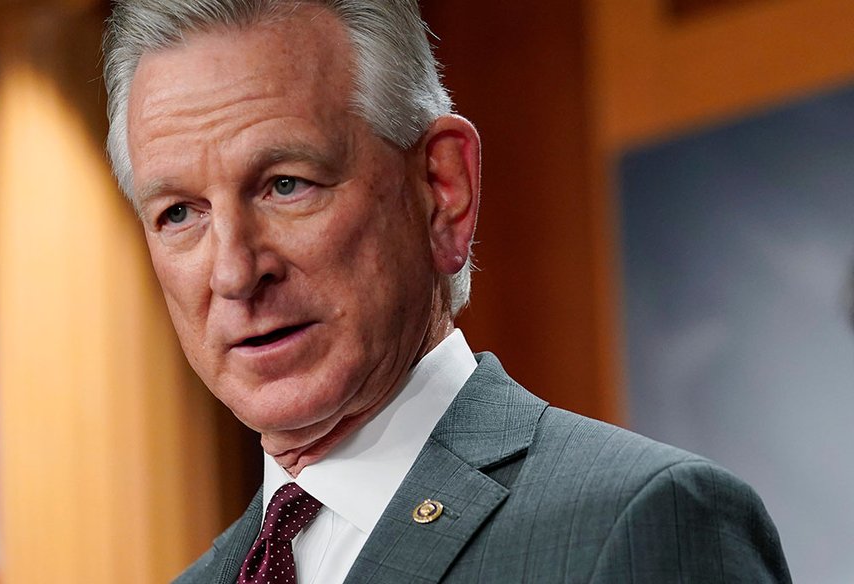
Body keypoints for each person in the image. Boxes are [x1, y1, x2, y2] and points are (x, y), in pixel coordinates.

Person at [103, 1, 791, 582]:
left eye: (286, 184)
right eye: (179, 214)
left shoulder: (641, 526)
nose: (232, 273)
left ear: (441, 191)